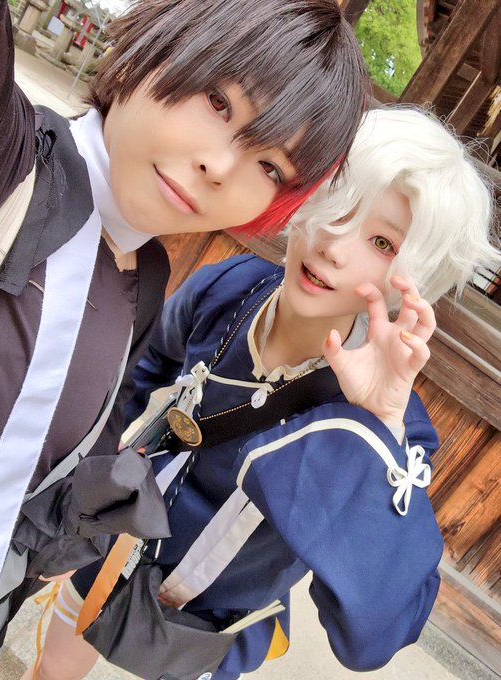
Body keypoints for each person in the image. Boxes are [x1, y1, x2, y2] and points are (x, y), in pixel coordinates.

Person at [28, 106, 500, 680]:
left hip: (211, 626)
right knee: (51, 670)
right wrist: (81, 498)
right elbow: (140, 371)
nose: (332, 244)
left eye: (381, 242)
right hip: (112, 549)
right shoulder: (232, 287)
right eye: (339, 202)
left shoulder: (396, 429)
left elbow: (373, 638)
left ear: (414, 279)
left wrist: (377, 430)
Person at [0, 0, 368, 671]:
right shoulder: (8, 161)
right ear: (168, 40)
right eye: (219, 102)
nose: (221, 166)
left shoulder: (143, 274)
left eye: (270, 167)